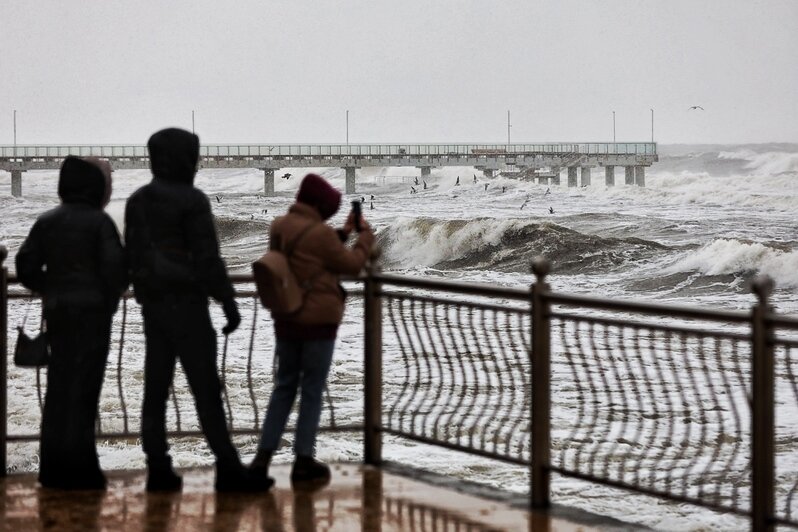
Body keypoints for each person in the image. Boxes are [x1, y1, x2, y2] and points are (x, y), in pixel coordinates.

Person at [125, 127, 270, 493]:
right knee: (206, 389)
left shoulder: (138, 201)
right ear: (185, 159)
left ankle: (158, 468)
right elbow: (208, 260)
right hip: (191, 308)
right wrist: (228, 302)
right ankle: (227, 467)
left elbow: (134, 258)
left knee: (155, 391)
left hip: (154, 310)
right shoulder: (193, 201)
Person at [249, 173, 374, 485]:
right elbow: (351, 265)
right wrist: (366, 238)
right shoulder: (321, 235)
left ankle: (262, 459)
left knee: (284, 387)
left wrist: (342, 233)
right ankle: (303, 460)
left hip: (286, 315)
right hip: (317, 321)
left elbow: (310, 256)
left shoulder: (279, 225)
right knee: (312, 391)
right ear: (319, 205)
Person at [16, 156, 127, 490]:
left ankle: (51, 470)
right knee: (86, 391)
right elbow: (116, 272)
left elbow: (25, 265)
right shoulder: (100, 223)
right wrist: (105, 302)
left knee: (58, 392)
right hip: (93, 317)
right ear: (94, 186)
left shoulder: (47, 221)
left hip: (60, 315)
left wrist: (50, 287)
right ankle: (84, 470)